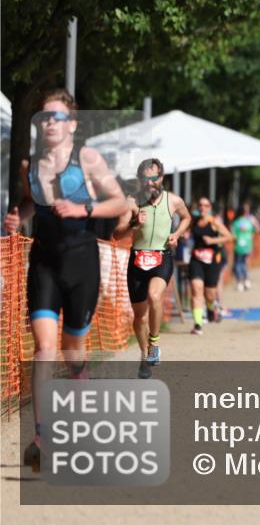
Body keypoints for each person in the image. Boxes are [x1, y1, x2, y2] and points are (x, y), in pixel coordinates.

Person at [3, 89, 128, 470]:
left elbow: (119, 201)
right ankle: (42, 436)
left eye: (56, 117)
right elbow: (31, 202)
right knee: (43, 349)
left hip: (81, 262)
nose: (49, 123)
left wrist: (83, 207)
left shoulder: (87, 159)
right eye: (44, 117)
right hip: (43, 261)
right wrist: (18, 216)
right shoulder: (30, 165)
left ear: (72, 123)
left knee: (74, 351)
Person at [113, 158, 191, 379]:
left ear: (161, 177)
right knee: (139, 318)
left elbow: (186, 218)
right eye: (145, 178)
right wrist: (133, 224)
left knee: (154, 296)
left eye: (154, 177)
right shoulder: (131, 203)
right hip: (137, 260)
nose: (150, 182)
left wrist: (177, 234)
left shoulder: (173, 201)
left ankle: (154, 343)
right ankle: (144, 354)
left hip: (161, 257)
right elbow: (116, 234)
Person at [188, 197, 233, 334]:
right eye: (200, 205)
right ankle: (198, 324)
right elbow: (186, 231)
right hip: (196, 260)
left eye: (205, 205)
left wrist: (213, 240)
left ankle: (211, 307)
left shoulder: (214, 222)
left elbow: (229, 237)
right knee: (196, 289)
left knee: (210, 295)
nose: (202, 208)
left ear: (209, 208)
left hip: (212, 261)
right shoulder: (193, 221)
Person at [231, 202, 260, 291]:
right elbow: (258, 230)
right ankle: (246, 280)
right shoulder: (249, 222)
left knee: (238, 264)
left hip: (239, 246)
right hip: (247, 246)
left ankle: (241, 281)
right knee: (243, 263)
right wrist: (255, 223)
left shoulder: (236, 222)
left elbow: (233, 234)